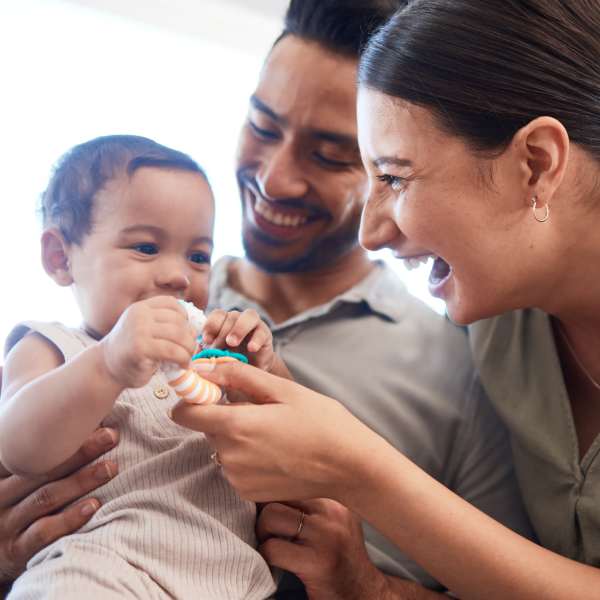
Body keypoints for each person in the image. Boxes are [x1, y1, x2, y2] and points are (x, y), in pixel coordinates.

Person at [0, 2, 532, 599]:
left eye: (331, 154)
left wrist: (364, 583)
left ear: (390, 170)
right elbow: (18, 436)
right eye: (262, 126)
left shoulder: (458, 366)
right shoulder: (104, 320)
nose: (275, 179)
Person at [170, 0, 600, 598]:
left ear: (536, 164)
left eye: (394, 177)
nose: (371, 234)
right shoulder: (498, 325)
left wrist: (356, 469)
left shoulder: (459, 366)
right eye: (263, 127)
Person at [0, 135, 286, 599]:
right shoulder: (54, 347)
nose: (178, 275)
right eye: (146, 248)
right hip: (102, 570)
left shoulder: (210, 358)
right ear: (60, 257)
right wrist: (108, 363)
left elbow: (291, 438)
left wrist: (266, 369)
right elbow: (18, 447)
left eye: (197, 256)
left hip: (236, 582)